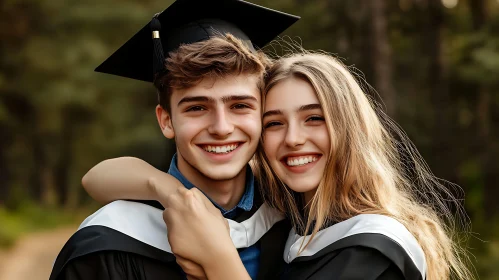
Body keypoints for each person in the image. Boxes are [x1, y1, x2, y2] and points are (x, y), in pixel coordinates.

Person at [83, 50, 475, 279]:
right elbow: (97, 178)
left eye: (314, 118)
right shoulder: (290, 211)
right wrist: (171, 192)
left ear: (350, 127)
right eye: (275, 122)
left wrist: (220, 259)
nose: (292, 138)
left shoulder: (370, 252)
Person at [48, 0, 299, 279]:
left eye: (240, 105)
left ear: (262, 112)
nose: (221, 127)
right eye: (197, 108)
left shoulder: (295, 219)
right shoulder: (108, 247)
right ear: (166, 120)